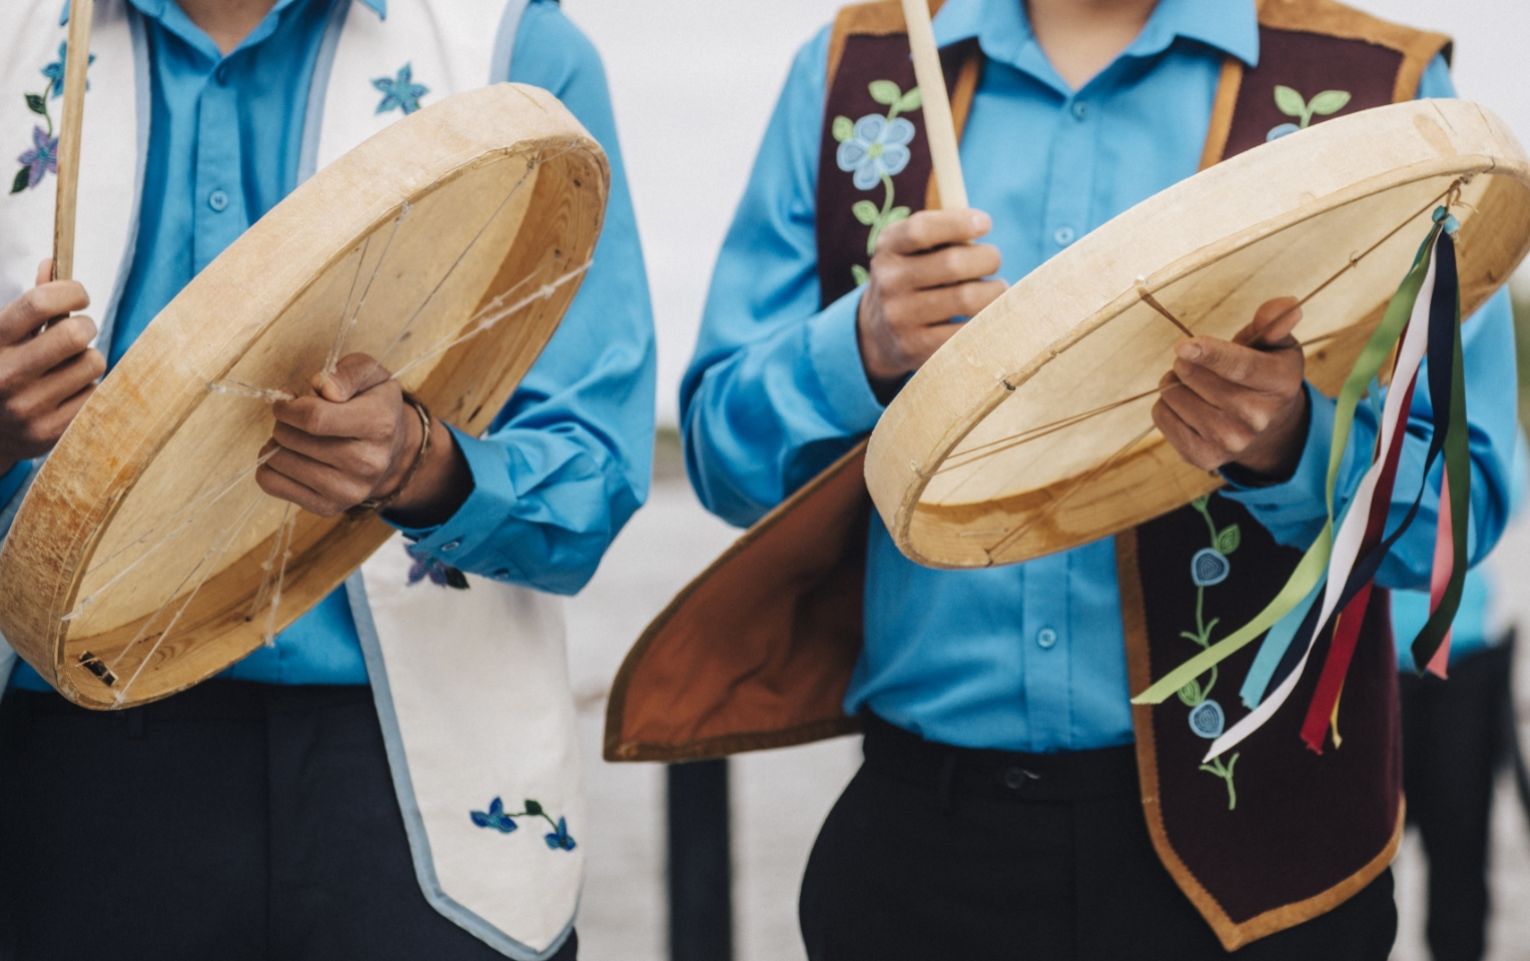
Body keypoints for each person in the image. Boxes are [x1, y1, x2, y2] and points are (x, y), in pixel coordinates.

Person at [673, 0, 1518, 958]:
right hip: (919, 856)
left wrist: (1289, 443)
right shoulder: (854, 73)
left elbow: (1460, 508)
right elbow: (718, 455)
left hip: (1268, 872)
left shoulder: (1381, 95)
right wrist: (860, 348)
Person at [0, 1, 654, 959]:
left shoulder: (511, 46)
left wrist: (421, 463)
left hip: (417, 785)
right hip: (56, 762)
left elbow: (593, 467)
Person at [1393, 438, 1526, 961]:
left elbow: (1508, 503)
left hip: (1466, 663)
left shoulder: (1480, 407)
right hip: (1372, 671)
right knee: (1362, 857)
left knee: (1461, 844)